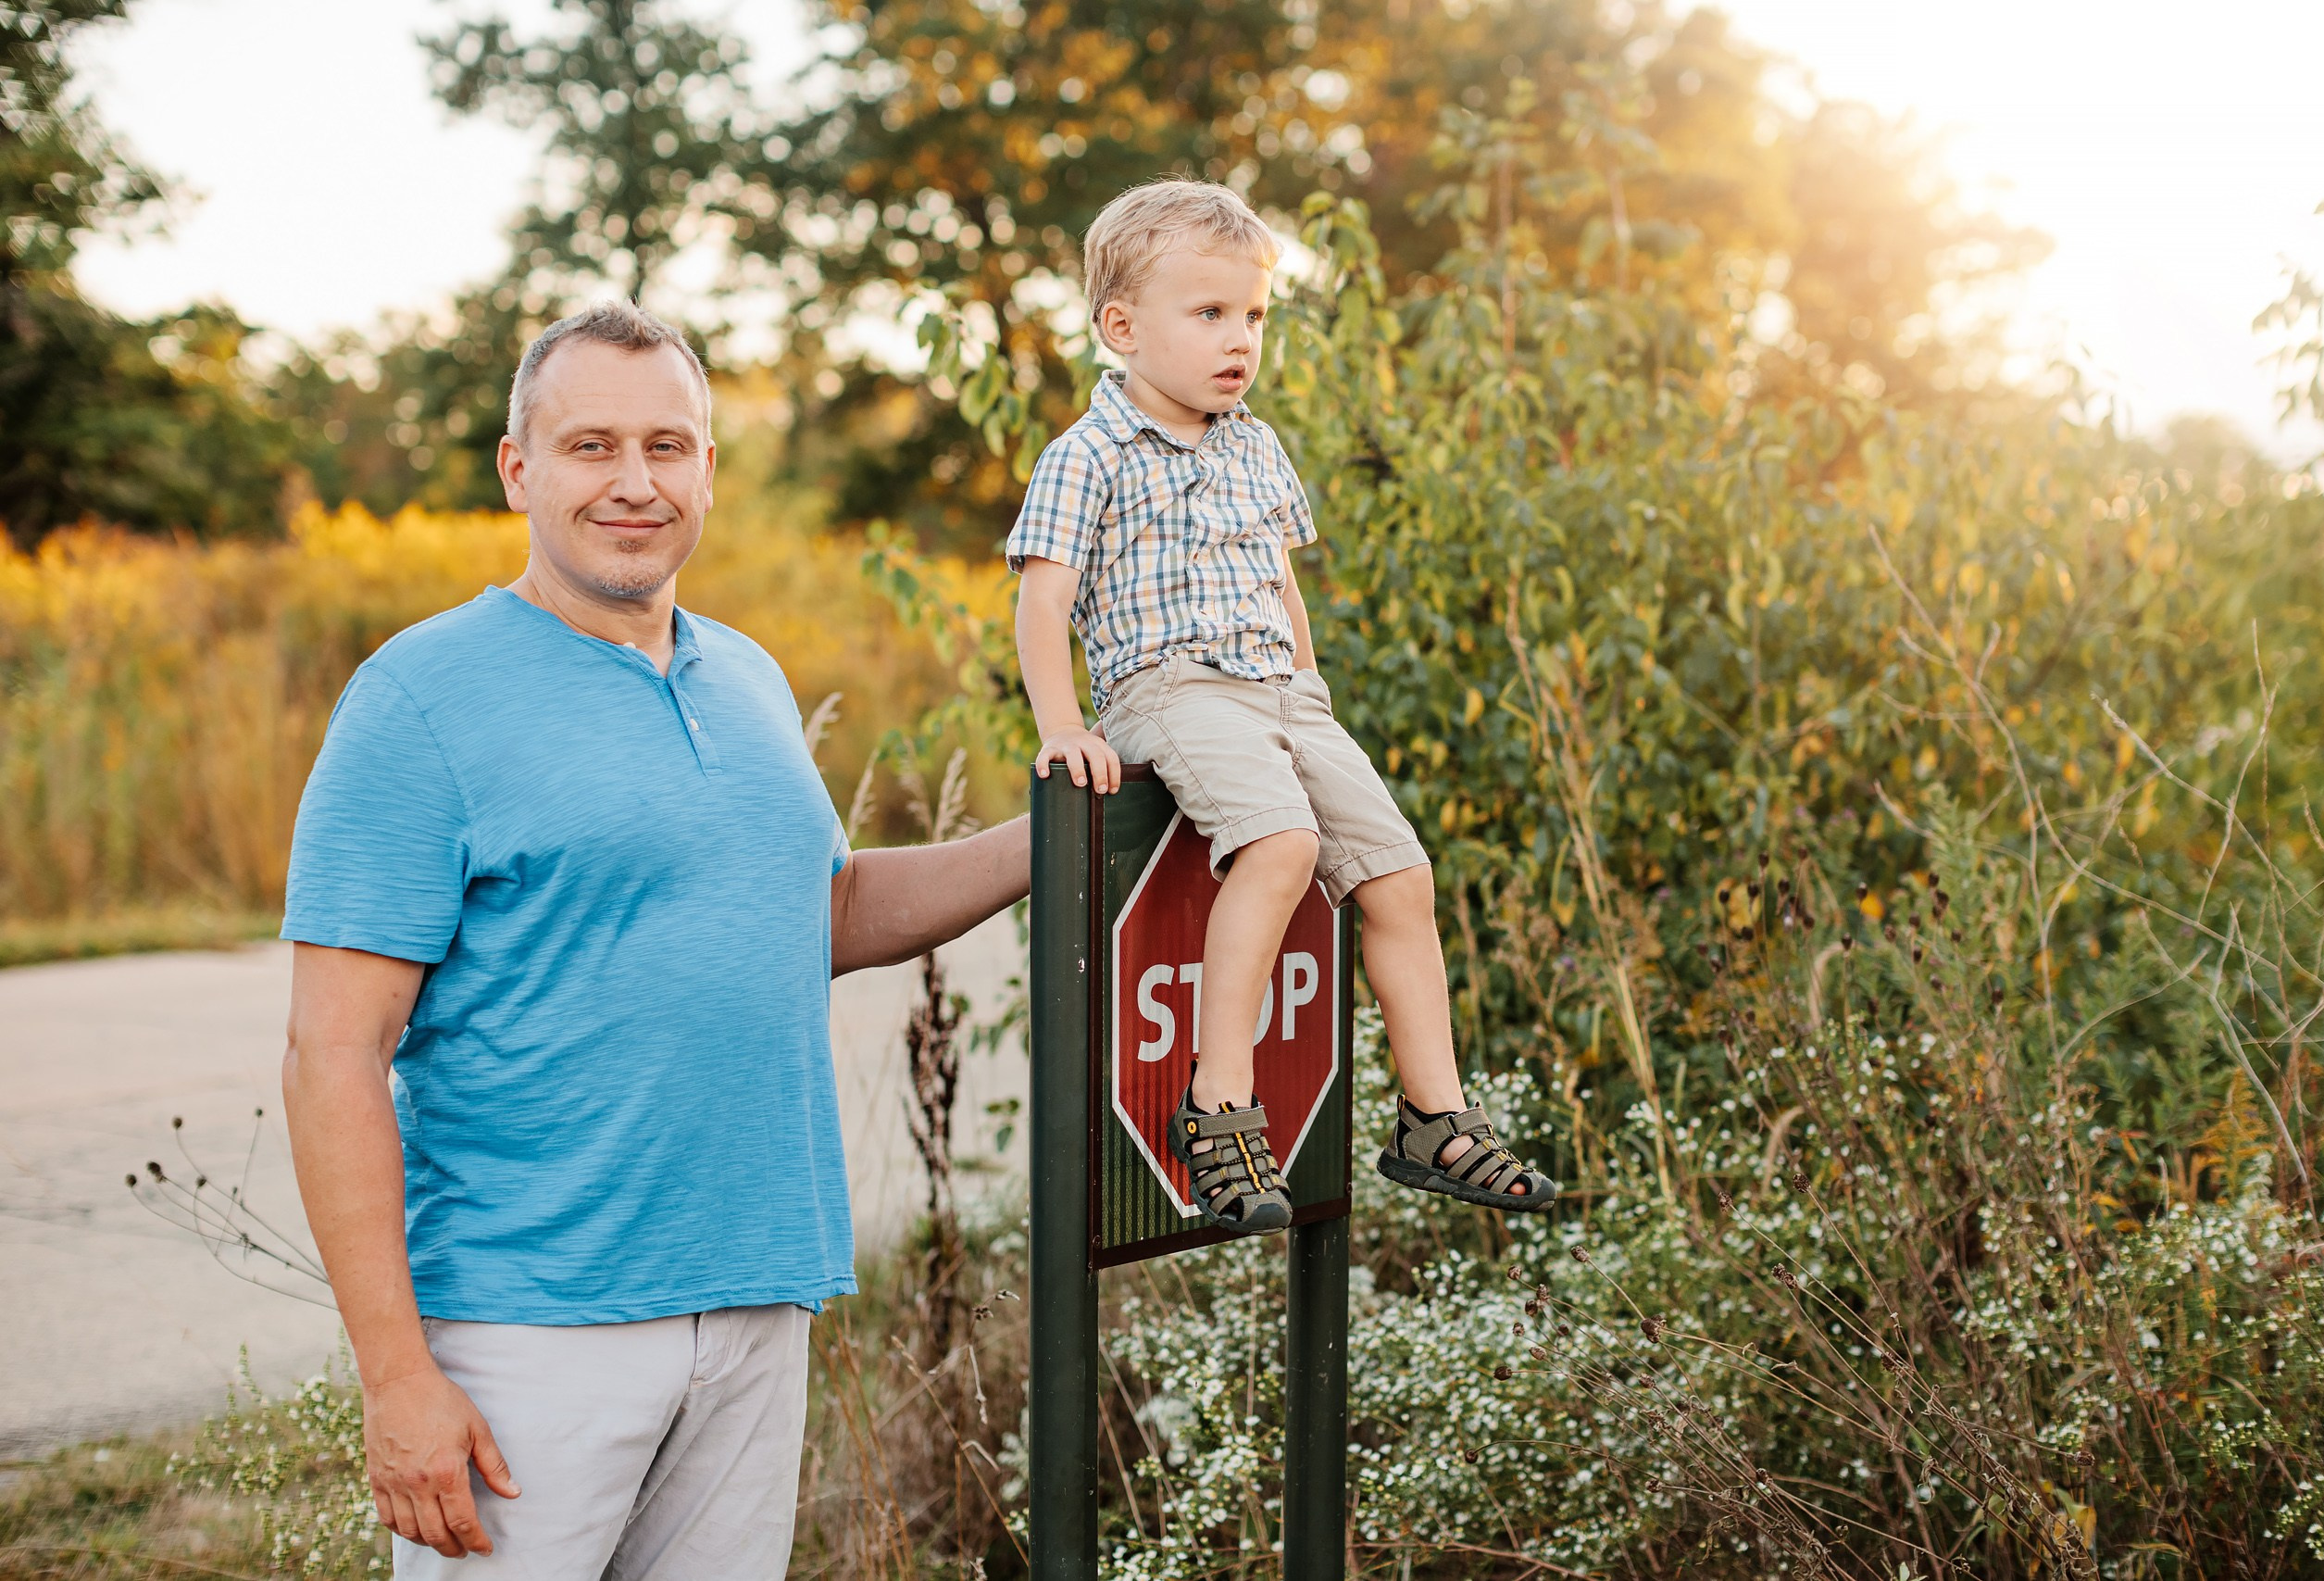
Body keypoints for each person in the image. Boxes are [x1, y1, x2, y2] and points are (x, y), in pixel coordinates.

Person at [280, 302, 1029, 1578]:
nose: (635, 483)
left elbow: (824, 911)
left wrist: (1065, 835)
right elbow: (332, 1053)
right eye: (592, 447)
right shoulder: (418, 697)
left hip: (756, 1295)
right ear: (520, 468)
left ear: (709, 471)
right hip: (532, 1324)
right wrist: (398, 1374)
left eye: (668, 447)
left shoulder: (746, 674)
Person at [1006, 179, 1556, 1236]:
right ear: (1121, 327)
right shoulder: (1087, 456)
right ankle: (1216, 1105)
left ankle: (1433, 1120)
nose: (1239, 339)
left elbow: (1277, 573)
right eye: (1208, 314)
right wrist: (1061, 725)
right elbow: (1043, 599)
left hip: (1281, 695)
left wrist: (1309, 682)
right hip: (1166, 687)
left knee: (1400, 874)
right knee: (1280, 846)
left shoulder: (1255, 443)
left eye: (1253, 315)